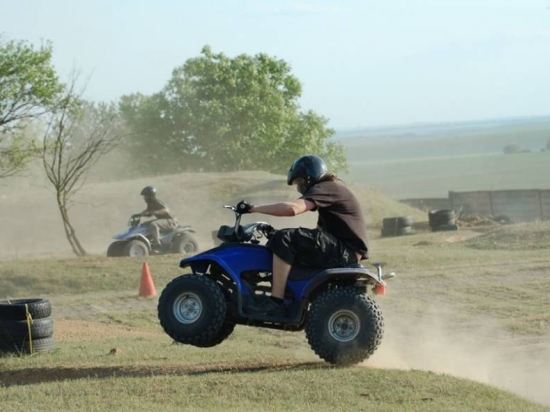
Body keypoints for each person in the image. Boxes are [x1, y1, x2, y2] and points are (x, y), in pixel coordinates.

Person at [237, 154, 369, 316]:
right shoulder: (332, 189)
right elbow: (319, 235)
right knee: (283, 238)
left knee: (284, 238)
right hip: (346, 250)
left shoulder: (326, 187)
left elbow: (293, 209)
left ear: (309, 177)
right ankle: (289, 291)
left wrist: (253, 208)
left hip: (344, 251)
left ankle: (276, 302)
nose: (299, 188)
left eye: (299, 182)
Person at [136, 186, 177, 250]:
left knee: (153, 224)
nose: (144, 198)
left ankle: (158, 244)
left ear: (150, 196)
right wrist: (139, 215)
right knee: (144, 224)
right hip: (163, 220)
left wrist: (155, 212)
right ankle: (150, 240)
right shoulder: (150, 203)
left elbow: (166, 210)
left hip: (170, 220)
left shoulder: (157, 202)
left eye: (145, 196)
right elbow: (147, 211)